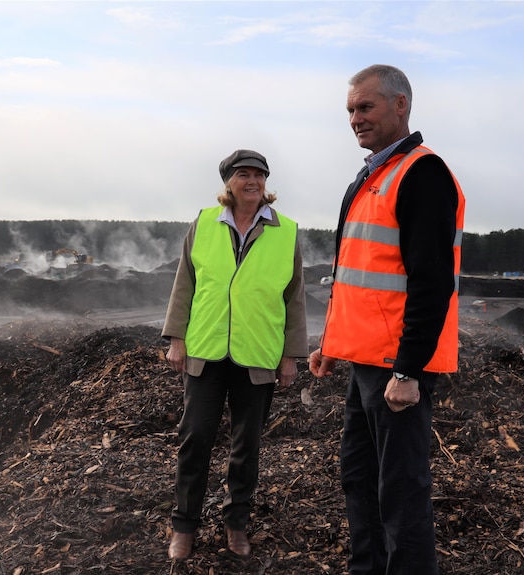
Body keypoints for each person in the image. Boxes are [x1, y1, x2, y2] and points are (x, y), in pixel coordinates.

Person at [309, 64, 465, 575]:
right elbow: (359, 275)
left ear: (400, 105)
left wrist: (409, 370)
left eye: (366, 107)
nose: (355, 118)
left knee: (400, 494)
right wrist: (332, 342)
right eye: (350, 110)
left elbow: (431, 281)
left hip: (396, 368)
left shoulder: (421, 173)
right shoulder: (372, 176)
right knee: (359, 481)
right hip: (364, 364)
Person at [162, 149, 308, 560]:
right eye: (243, 174)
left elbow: (294, 298)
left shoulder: (286, 231)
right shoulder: (204, 223)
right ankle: (184, 528)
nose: (253, 181)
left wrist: (291, 355)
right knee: (194, 440)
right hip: (205, 352)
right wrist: (176, 337)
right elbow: (184, 284)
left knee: (247, 446)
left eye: (259, 175)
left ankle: (236, 525)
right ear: (228, 182)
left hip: (258, 355)